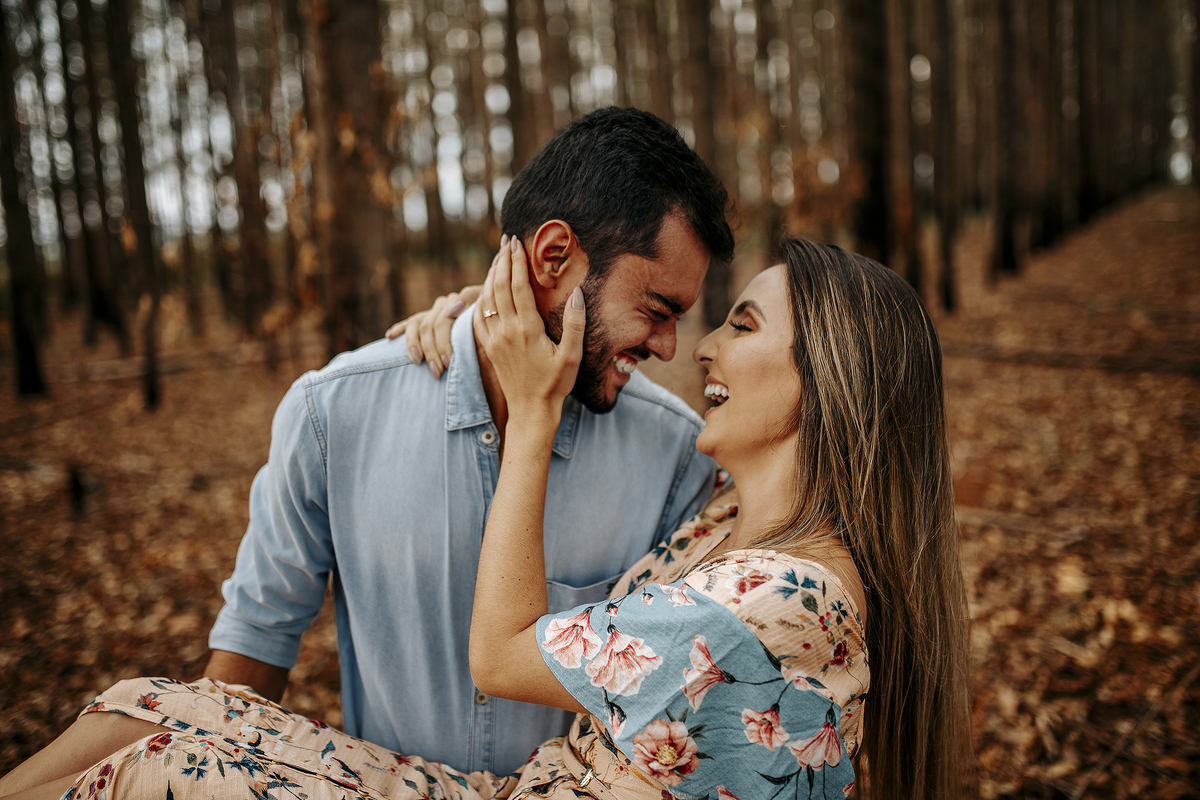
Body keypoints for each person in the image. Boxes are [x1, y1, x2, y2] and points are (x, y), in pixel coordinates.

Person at [0, 238, 972, 800]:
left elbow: (501, 651)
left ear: (832, 379)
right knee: (149, 703)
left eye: (742, 324)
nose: (701, 345)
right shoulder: (740, 529)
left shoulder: (777, 599)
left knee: (148, 773)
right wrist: (483, 326)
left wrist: (534, 412)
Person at [200, 106, 734, 775]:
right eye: (657, 310)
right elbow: (247, 665)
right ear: (553, 256)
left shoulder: (675, 459)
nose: (667, 345)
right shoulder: (333, 414)